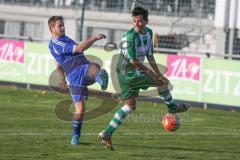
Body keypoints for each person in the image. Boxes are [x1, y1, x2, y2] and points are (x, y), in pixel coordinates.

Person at [98, 7, 189, 150]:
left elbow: (149, 55)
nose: (136, 24)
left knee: (130, 106)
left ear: (147, 21)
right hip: (128, 73)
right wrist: (155, 76)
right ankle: (172, 108)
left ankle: (107, 133)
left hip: (127, 72)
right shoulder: (130, 37)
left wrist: (158, 74)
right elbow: (134, 61)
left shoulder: (149, 33)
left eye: (139, 21)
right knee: (162, 84)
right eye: (134, 21)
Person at [48, 16, 108, 145]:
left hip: (84, 67)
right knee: (80, 110)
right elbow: (79, 49)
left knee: (95, 67)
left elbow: (58, 64)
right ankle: (75, 135)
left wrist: (62, 77)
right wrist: (94, 38)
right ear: (52, 28)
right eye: (60, 26)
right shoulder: (55, 44)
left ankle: (101, 79)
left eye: (63, 25)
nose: (63, 27)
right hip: (74, 76)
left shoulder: (64, 39)